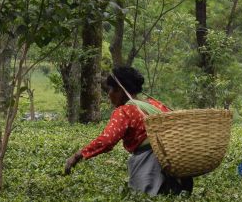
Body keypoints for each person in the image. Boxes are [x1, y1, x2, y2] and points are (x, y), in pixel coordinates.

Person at [63, 66, 191, 195]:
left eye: (110, 89)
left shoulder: (125, 111)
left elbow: (107, 141)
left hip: (149, 164)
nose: (109, 95)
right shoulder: (154, 104)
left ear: (119, 90)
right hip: (174, 159)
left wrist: (77, 155)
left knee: (144, 199)